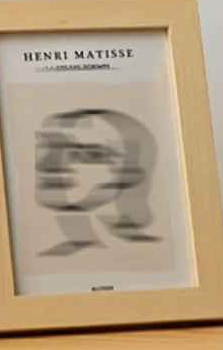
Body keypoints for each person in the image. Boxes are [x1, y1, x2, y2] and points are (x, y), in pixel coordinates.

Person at [34, 108, 161, 256]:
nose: (49, 164)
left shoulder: (143, 256)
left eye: (90, 154)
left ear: (130, 175)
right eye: (50, 147)